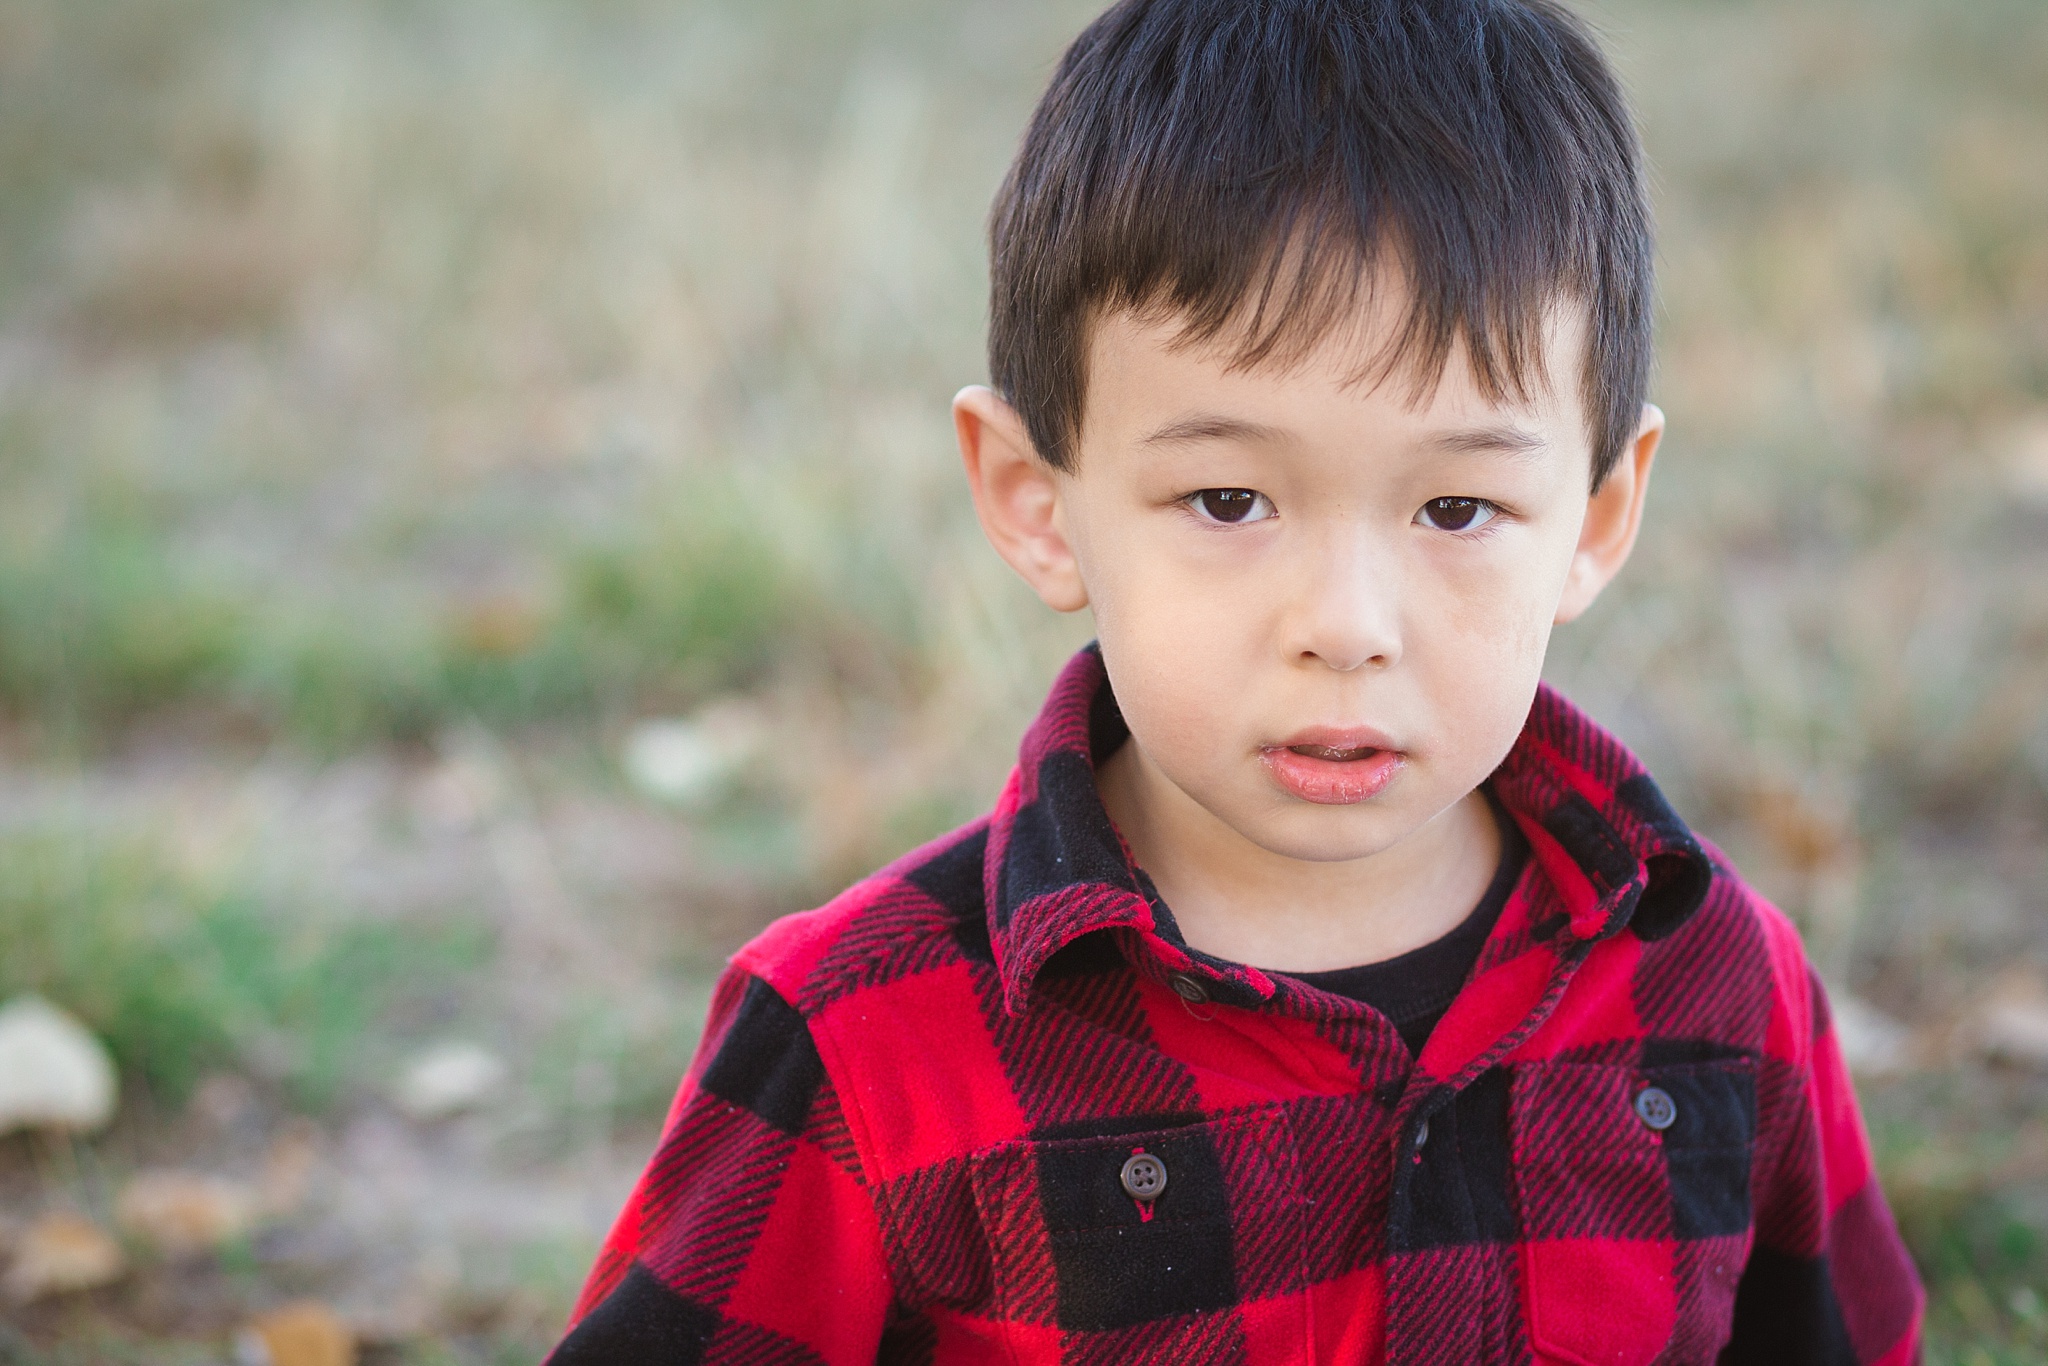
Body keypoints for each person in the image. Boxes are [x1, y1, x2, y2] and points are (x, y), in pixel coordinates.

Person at [548, 0, 1925, 1360]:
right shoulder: (865, 1041)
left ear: (1599, 516)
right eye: (1226, 497)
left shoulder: (1716, 986)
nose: (1344, 623)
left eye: (1455, 511)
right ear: (1038, 502)